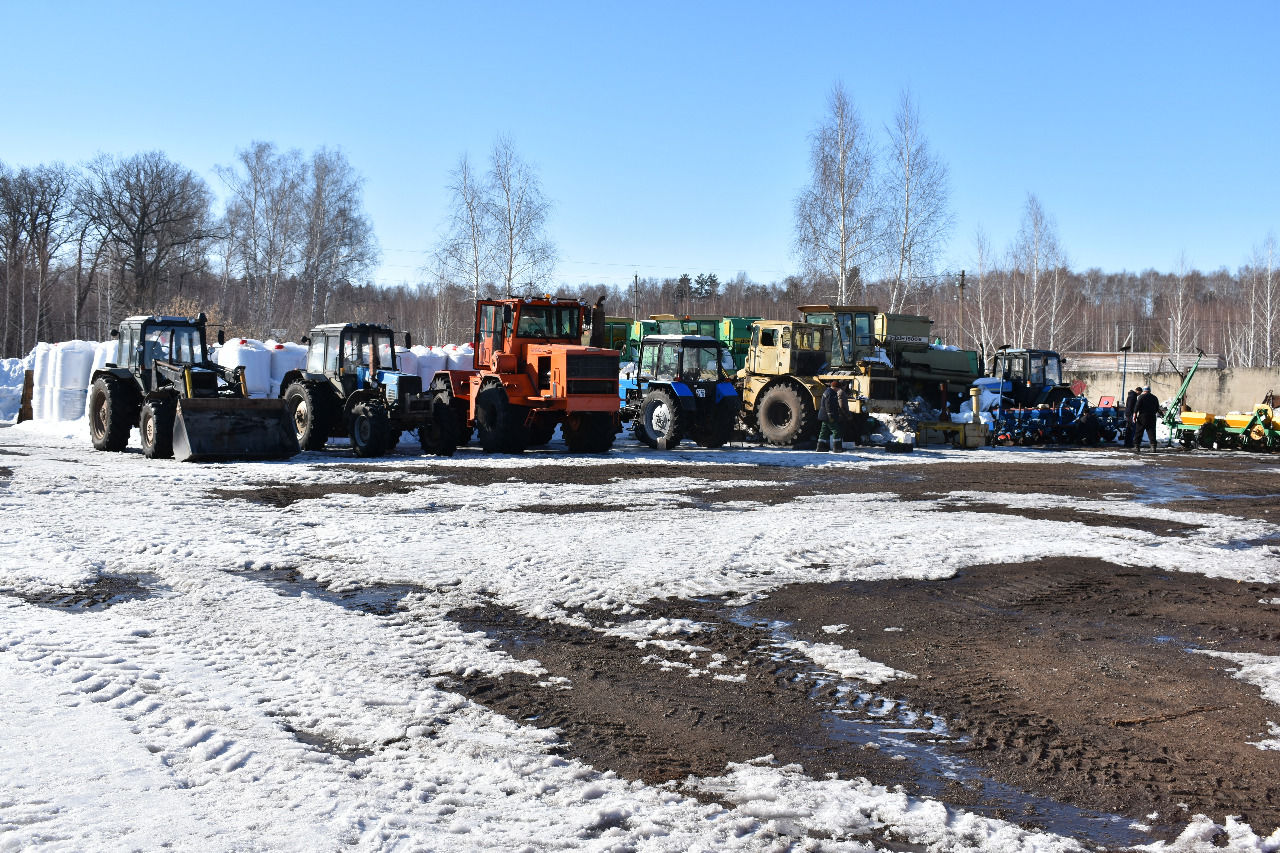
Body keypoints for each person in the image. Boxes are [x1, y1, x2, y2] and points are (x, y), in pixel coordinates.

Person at [816, 379, 848, 453]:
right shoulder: (831, 393)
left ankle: (820, 447)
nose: (839, 390)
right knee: (836, 431)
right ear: (835, 387)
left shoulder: (828, 392)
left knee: (824, 431)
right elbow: (828, 405)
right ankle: (837, 448)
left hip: (824, 415)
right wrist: (830, 415)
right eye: (838, 388)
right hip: (828, 416)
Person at [1133, 385, 1160, 452]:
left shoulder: (1141, 397)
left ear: (1144, 390)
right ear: (1149, 390)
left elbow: (1137, 406)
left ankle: (1137, 446)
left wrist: (1135, 414)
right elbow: (1157, 408)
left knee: (1139, 431)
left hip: (1143, 416)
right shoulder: (1154, 398)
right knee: (1152, 432)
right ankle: (1153, 446)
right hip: (1152, 417)